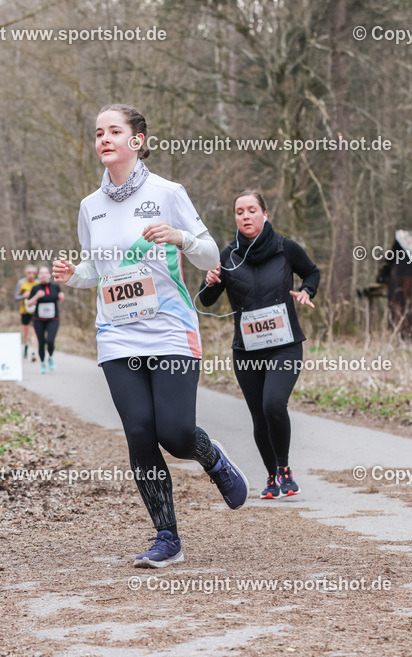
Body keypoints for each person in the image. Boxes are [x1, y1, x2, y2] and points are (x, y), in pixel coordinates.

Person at [53, 103, 248, 569]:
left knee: (175, 433)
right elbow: (96, 272)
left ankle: (212, 457)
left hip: (169, 330)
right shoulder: (89, 208)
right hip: (117, 336)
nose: (104, 138)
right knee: (140, 433)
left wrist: (178, 237)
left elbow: (209, 256)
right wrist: (69, 274)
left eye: (114, 131)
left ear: (136, 140)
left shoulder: (168, 192)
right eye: (98, 132)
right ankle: (167, 538)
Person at [199, 190, 320, 499]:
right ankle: (271, 476)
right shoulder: (226, 256)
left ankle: (284, 469)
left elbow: (312, 272)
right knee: (258, 415)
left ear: (265, 214)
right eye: (239, 212)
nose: (245, 216)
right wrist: (210, 282)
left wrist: (307, 291)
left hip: (285, 344)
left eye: (252, 210)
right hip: (246, 351)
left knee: (273, 404)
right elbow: (207, 300)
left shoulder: (285, 248)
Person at [27, 266, 64, 373]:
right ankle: (43, 363)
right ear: (39, 276)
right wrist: (37, 296)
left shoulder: (55, 287)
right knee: (41, 342)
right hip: (38, 319)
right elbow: (29, 303)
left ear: (49, 274)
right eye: (41, 273)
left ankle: (50, 358)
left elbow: (57, 300)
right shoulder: (35, 288)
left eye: (45, 273)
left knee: (50, 340)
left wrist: (61, 298)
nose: (43, 275)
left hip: (53, 318)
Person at [15, 265, 40, 360]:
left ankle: (33, 352)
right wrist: (23, 296)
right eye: (29, 273)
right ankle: (25, 345)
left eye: (33, 273)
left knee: (35, 332)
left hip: (36, 311)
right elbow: (16, 297)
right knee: (25, 332)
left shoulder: (38, 283)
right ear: (26, 274)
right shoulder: (21, 283)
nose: (31, 275)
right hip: (24, 311)